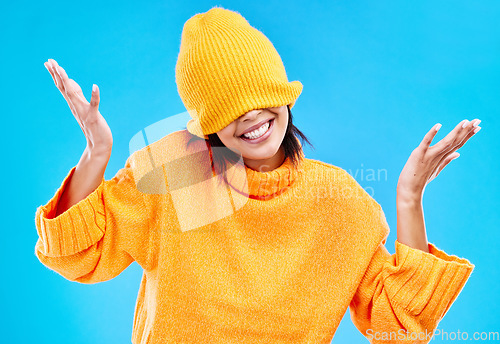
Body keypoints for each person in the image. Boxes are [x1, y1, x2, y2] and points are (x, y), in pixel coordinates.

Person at [35, 6, 480, 344]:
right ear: (207, 123)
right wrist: (97, 153)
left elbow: (399, 324)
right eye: (227, 105)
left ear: (283, 95)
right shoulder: (178, 173)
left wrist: (409, 197)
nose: (249, 114)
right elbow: (79, 255)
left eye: (259, 94)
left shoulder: (337, 201)